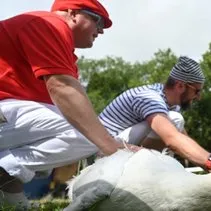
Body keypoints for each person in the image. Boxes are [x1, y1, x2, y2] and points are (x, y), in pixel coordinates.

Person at [0, 0, 138, 208]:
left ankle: (14, 196)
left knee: (84, 131)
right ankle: (5, 169)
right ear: (73, 14)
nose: (101, 31)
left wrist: (116, 141)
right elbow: (62, 88)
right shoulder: (49, 24)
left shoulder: (63, 50)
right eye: (98, 21)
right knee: (87, 134)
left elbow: (66, 104)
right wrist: (112, 146)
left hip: (8, 116)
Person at [99, 56, 211, 172]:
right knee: (175, 120)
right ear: (180, 86)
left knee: (174, 122)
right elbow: (172, 138)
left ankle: (150, 167)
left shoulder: (170, 103)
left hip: (120, 146)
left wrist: (205, 162)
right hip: (103, 149)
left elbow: (182, 138)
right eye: (197, 91)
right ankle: (146, 170)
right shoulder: (150, 98)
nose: (199, 97)